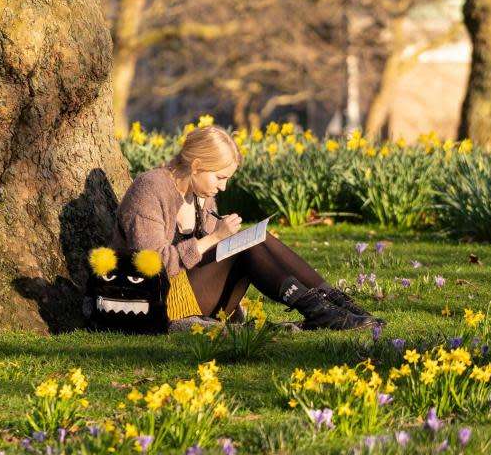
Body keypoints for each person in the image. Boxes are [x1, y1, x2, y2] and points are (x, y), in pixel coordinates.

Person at [111, 125, 385, 332]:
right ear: (196, 166)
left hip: (195, 292)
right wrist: (215, 238)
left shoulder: (200, 195)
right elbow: (150, 265)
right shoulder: (151, 189)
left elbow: (208, 255)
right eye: (219, 177)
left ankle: (339, 304)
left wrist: (223, 236)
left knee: (258, 237)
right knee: (247, 244)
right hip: (162, 301)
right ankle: (319, 311)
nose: (223, 187)